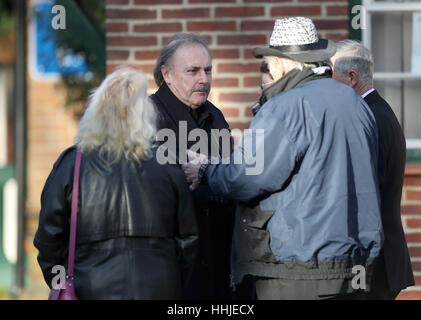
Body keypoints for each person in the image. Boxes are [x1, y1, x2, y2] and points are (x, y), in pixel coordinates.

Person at [183, 17, 383, 300]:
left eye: (268, 63)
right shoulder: (355, 102)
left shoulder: (285, 106)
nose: (265, 70)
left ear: (283, 63)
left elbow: (246, 177)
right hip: (356, 267)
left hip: (299, 270)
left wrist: (205, 169)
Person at [33, 67, 198, 300]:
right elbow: (188, 240)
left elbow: (49, 239)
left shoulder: (73, 164)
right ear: (145, 113)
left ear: (96, 111)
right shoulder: (168, 162)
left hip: (90, 287)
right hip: (160, 286)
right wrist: (172, 281)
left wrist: (63, 284)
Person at [150, 33, 239, 300]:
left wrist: (208, 172)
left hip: (218, 256)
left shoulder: (215, 116)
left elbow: (229, 177)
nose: (204, 80)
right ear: (167, 75)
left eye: (208, 70)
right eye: (193, 71)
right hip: (173, 264)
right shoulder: (147, 117)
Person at [330, 40, 415, 299]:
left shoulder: (367, 119)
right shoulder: (378, 111)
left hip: (373, 262)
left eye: (331, 75)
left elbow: (362, 192)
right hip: (382, 255)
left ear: (352, 77)